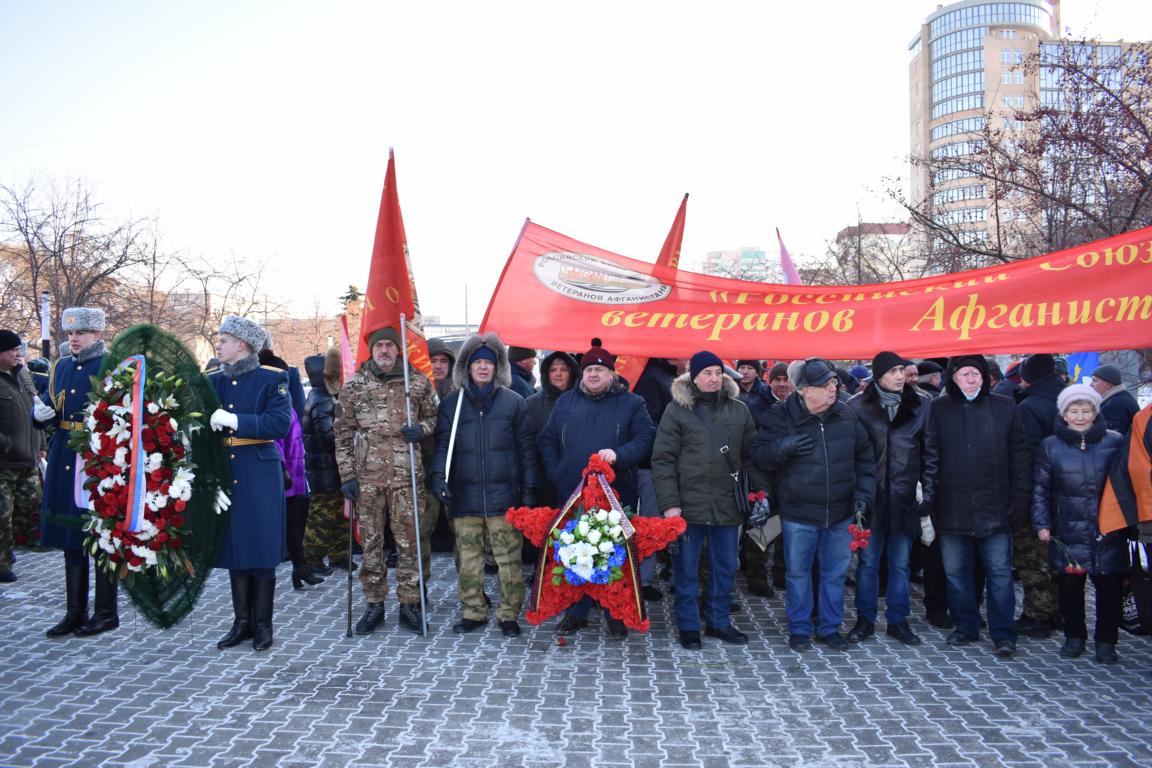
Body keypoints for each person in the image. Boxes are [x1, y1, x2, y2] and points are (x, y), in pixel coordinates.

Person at [752, 357, 876, 652]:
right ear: (805, 390)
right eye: (825, 385)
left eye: (834, 382)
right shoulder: (780, 415)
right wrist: (785, 447)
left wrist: (863, 496)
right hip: (799, 512)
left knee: (834, 574)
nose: (832, 389)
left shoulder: (847, 415)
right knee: (798, 573)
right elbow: (758, 456)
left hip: (841, 511)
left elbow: (866, 460)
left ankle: (829, 628)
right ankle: (799, 628)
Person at [539, 338, 655, 640]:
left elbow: (645, 439)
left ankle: (614, 612)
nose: (593, 375)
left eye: (600, 371)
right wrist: (557, 471)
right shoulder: (565, 402)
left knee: (612, 553)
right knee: (575, 551)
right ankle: (576, 612)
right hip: (572, 492)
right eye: (589, 369)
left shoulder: (632, 402)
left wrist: (620, 455)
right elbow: (548, 440)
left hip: (616, 495)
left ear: (612, 374)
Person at [652, 351, 766, 649]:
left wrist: (758, 492)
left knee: (725, 567)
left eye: (718, 372)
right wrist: (669, 504)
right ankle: (689, 626)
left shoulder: (739, 410)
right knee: (686, 570)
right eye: (707, 373)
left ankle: (718, 622)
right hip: (688, 505)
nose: (714, 378)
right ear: (694, 377)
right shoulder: (677, 411)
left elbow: (752, 457)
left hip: (728, 505)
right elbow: (663, 460)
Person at [430, 333, 538, 637]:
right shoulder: (452, 403)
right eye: (476, 363)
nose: (482, 368)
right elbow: (441, 447)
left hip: (504, 497)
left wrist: (528, 492)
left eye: (487, 364)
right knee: (468, 560)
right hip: (464, 496)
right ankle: (473, 611)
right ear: (467, 367)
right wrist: (438, 478)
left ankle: (508, 614)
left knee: (508, 560)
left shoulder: (514, 403)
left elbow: (527, 452)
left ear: (497, 368)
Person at [335, 323, 438, 636]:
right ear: (372, 350)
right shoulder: (354, 386)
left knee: (409, 543)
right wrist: (348, 475)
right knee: (371, 544)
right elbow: (342, 433)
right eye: (379, 346)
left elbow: (435, 416)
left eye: (390, 346)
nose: (384, 351)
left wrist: (421, 430)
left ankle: (409, 604)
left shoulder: (416, 384)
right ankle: (374, 604)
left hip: (406, 478)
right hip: (367, 480)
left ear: (398, 350)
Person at [931, 355, 1032, 657]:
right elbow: (930, 454)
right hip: (952, 506)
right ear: (953, 379)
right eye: (965, 374)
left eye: (976, 373)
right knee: (956, 573)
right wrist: (930, 497)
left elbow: (1021, 454)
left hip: (996, 506)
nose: (972, 379)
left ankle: (1003, 633)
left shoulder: (1004, 407)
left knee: (999, 574)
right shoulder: (938, 409)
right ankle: (965, 626)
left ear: (986, 378)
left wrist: (1020, 497)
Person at [208, 316, 292, 651]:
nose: (219, 345)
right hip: (225, 470)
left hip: (258, 470)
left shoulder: (273, 378)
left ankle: (263, 625)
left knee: (260, 547)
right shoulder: (213, 380)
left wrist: (235, 421)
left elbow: (279, 423)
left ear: (242, 344)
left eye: (224, 340)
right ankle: (241, 622)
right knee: (235, 547)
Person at [35, 307, 118, 637]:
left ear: (96, 335)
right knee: (73, 535)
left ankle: (106, 612)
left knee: (101, 534)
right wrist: (40, 415)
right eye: (70, 334)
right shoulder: (61, 367)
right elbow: (52, 405)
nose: (73, 339)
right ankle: (75, 611)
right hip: (66, 454)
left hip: (99, 457)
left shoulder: (112, 366)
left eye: (80, 333)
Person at [846, 351, 939, 646]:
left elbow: (931, 455)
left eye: (902, 370)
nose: (900, 376)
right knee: (868, 562)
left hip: (904, 497)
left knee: (901, 565)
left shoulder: (921, 405)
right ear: (878, 374)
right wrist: (855, 496)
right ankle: (865, 619)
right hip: (870, 499)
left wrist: (930, 493)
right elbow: (850, 456)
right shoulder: (858, 406)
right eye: (893, 371)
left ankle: (898, 621)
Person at [1031, 384, 1127, 663]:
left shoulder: (1115, 441)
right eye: (1074, 411)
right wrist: (1042, 524)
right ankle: (1075, 637)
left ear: (1096, 413)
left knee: (1109, 590)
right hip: (1068, 530)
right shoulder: (1050, 446)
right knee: (1071, 591)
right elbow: (1040, 489)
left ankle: (1107, 642)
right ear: (1064, 414)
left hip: (1107, 528)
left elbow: (1125, 484)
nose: (1081, 416)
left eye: (1086, 411)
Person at [1013, 353, 1064, 639]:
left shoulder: (1031, 406)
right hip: (1066, 493)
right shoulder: (1070, 400)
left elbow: (1026, 453)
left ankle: (1036, 616)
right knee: (1056, 555)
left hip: (1036, 492)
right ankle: (1057, 611)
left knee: (1031, 556)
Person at [260, 350, 320, 591]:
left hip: (295, 477)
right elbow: (274, 442)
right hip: (282, 478)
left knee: (296, 524)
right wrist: (283, 470)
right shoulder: (269, 405)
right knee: (288, 526)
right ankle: (296, 568)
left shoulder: (284, 402)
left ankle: (300, 569)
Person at [632, 356, 680, 600]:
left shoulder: (663, 376)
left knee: (659, 522)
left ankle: (654, 574)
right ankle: (642, 579)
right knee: (650, 522)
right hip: (651, 465)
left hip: (661, 464)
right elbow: (650, 426)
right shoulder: (653, 378)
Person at [0, 330, 42, 583]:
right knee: (2, 515)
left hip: (28, 460)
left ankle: (11, 548)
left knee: (30, 505)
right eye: (14, 350)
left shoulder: (22, 376)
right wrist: (6, 445)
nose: (19, 354)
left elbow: (36, 410)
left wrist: (42, 442)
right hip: (4, 462)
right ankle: (3, 562)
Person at [301, 350, 345, 575]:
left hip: (323, 469)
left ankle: (339, 555)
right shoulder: (324, 401)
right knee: (322, 516)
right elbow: (330, 437)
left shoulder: (315, 397)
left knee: (336, 513)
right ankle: (311, 559)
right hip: (326, 470)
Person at [1090, 364, 1140, 436]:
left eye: (1095, 380)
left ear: (1107, 384)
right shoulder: (1121, 398)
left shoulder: (1114, 405)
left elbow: (1110, 439)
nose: (1091, 385)